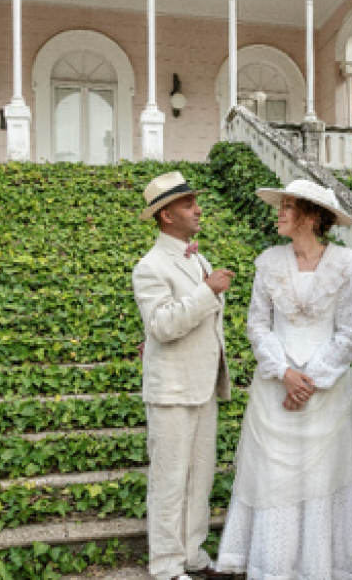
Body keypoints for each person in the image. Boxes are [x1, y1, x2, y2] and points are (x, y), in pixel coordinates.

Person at [214, 179, 352, 580]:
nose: (280, 213)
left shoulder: (347, 264)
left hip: (328, 392)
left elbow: (348, 333)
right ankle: (274, 566)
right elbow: (257, 325)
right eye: (281, 205)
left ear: (310, 215)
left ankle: (322, 566)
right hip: (275, 388)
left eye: (288, 206)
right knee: (273, 475)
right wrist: (285, 374)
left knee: (323, 476)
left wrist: (311, 381)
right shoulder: (268, 261)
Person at [132, 171, 234, 580]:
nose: (198, 209)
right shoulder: (150, 266)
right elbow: (162, 326)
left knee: (199, 477)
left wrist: (205, 288)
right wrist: (208, 291)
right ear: (166, 216)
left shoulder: (196, 256)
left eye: (195, 201)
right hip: (172, 390)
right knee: (170, 481)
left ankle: (192, 555)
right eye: (189, 204)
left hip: (201, 384)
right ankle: (166, 566)